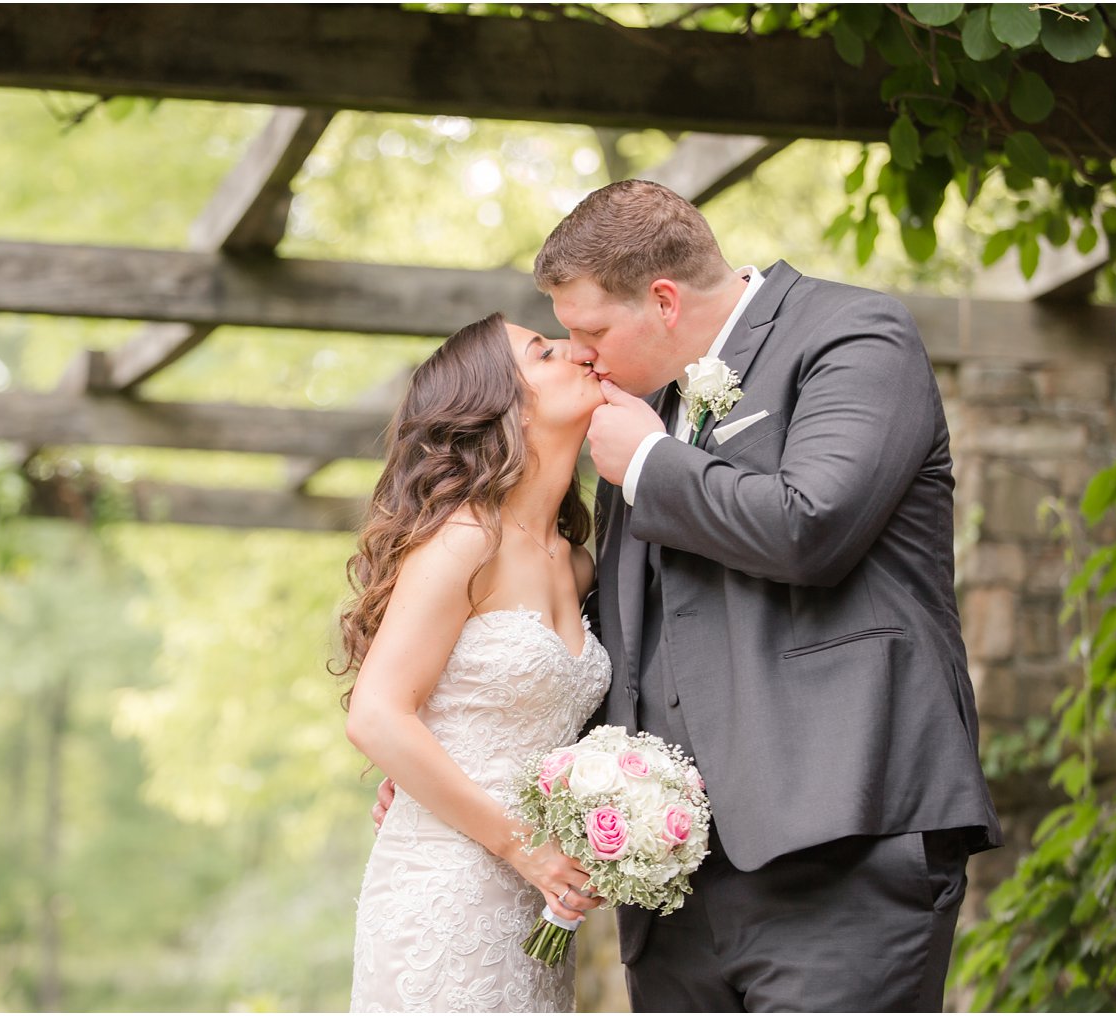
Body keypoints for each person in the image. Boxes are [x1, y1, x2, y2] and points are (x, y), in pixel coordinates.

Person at [378, 179, 1002, 1012]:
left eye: (592, 329)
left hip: (842, 848)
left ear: (663, 300)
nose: (584, 354)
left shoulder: (851, 335)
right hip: (674, 890)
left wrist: (647, 463)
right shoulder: (637, 417)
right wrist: (458, 760)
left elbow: (812, 526)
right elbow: (615, 643)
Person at [339, 312, 614, 1013]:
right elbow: (375, 716)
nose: (578, 351)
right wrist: (522, 847)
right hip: (444, 888)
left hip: (535, 902)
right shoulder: (465, 540)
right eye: (544, 352)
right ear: (504, 409)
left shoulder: (577, 563)